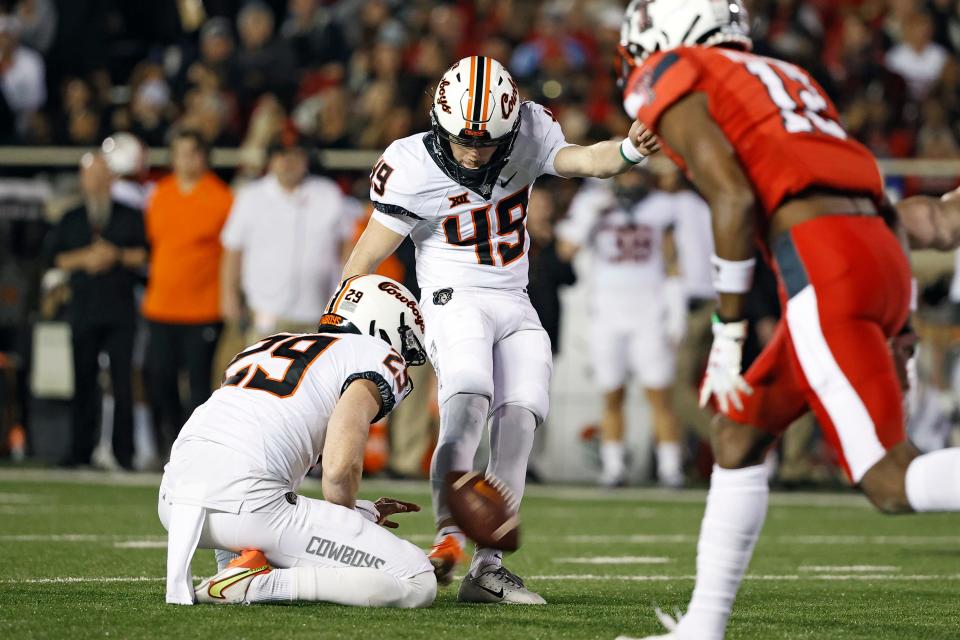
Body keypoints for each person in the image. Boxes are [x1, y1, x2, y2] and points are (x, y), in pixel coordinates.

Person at [614, 2, 960, 639]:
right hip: (873, 247)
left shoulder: (676, 68)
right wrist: (903, 321)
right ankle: (702, 628)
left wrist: (729, 330)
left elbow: (734, 196)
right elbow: (859, 195)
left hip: (826, 262)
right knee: (738, 436)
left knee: (889, 479)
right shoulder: (786, 75)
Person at [341, 55, 660, 604]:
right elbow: (363, 258)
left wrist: (630, 150)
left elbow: (588, 160)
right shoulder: (412, 164)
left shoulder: (531, 130)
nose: (472, 152)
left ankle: (486, 568)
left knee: (520, 420)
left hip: (515, 299)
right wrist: (343, 327)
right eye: (462, 141)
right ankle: (447, 540)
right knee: (466, 398)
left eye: (487, 143)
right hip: (452, 298)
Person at [159, 274, 436, 609]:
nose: (403, 353)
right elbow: (338, 470)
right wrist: (348, 518)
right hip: (247, 504)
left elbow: (239, 443)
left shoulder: (267, 345)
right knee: (417, 580)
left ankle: (234, 572)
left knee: (262, 494)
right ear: (383, 323)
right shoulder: (372, 353)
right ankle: (260, 585)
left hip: (174, 501)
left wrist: (361, 512)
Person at [557, 172, 686, 488]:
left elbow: (672, 261)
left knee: (660, 394)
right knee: (612, 393)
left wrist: (676, 310)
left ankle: (671, 469)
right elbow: (566, 250)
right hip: (608, 313)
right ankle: (613, 468)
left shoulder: (662, 206)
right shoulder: (595, 203)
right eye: (624, 174)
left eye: (635, 174)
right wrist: (588, 215)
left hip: (649, 312)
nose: (629, 181)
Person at [45, 153, 147, 469]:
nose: (98, 182)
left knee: (122, 382)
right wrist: (87, 258)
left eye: (103, 175)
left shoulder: (130, 214)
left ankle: (124, 453)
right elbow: (55, 258)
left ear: (112, 180)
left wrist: (115, 255)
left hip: (120, 309)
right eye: (92, 175)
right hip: (84, 308)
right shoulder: (72, 217)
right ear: (83, 180)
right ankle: (79, 451)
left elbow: (143, 255)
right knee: (83, 381)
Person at [143, 130, 232, 459]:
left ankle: (195, 451)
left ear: (204, 157)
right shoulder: (160, 194)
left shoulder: (220, 197)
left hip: (203, 309)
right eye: (179, 152)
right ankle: (165, 445)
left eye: (192, 153)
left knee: (198, 388)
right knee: (159, 380)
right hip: (160, 306)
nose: (186, 160)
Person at [220, 138, 356, 344]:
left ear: (305, 159)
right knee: (263, 373)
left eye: (295, 155)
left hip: (317, 313)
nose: (288, 162)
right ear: (271, 161)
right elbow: (233, 249)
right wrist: (228, 295)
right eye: (281, 156)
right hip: (266, 312)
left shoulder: (327, 193)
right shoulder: (251, 196)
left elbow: (347, 247)